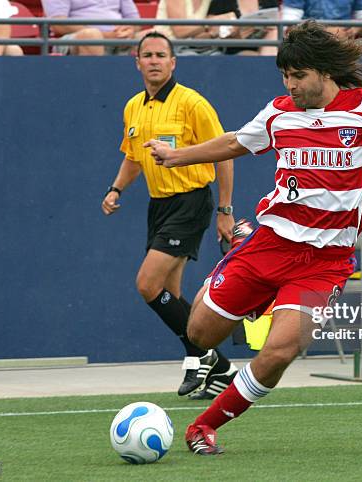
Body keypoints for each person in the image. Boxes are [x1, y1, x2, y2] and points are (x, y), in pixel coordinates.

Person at [145, 20, 362, 455]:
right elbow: (238, 142)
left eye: (299, 76)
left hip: (326, 261)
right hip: (269, 245)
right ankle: (243, 284)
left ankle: (204, 426)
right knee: (200, 334)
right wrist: (178, 156)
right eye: (285, 76)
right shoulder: (279, 112)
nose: (290, 84)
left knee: (281, 350)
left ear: (324, 73)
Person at [101, 31, 237, 397]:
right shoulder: (134, 106)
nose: (155, 60)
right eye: (148, 55)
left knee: (147, 284)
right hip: (158, 205)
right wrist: (116, 189)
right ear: (138, 61)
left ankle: (201, 355)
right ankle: (221, 369)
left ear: (173, 62)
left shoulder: (192, 103)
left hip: (191, 201)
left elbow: (224, 152)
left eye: (162, 54)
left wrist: (225, 209)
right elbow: (134, 156)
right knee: (170, 294)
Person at [41, 0, 141, 56]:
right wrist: (105, 36)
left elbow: (136, 22)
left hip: (120, 39)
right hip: (74, 39)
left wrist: (129, 31)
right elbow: (58, 24)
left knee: (151, 37)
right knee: (91, 35)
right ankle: (98, 88)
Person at [281, 0, 362, 39]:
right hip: (308, 47)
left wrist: (356, 28)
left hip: (345, 46)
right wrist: (324, 31)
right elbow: (288, 28)